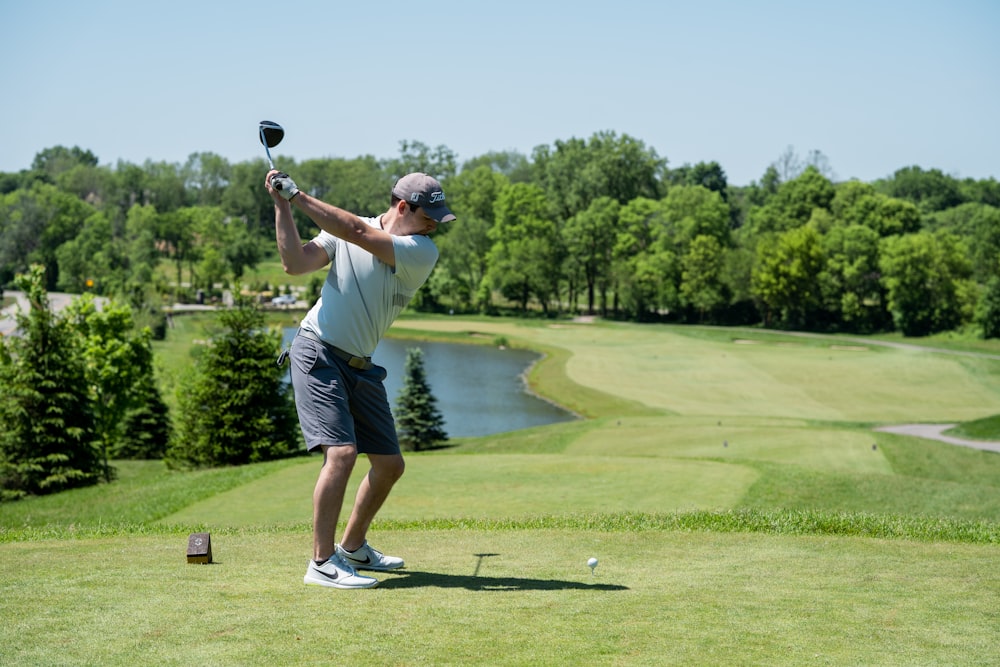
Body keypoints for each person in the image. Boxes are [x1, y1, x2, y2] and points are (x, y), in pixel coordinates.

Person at [265, 167, 455, 589]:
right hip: (317, 349)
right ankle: (321, 562)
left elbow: (357, 232)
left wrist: (297, 195)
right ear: (403, 207)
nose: (434, 227)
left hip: (360, 364)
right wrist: (283, 206)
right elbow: (295, 264)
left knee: (389, 464)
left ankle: (351, 547)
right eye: (429, 217)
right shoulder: (345, 231)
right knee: (342, 454)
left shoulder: (419, 250)